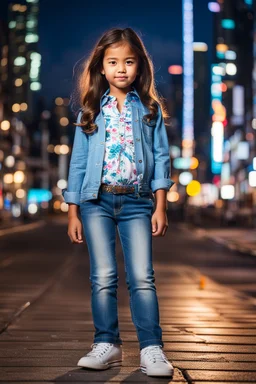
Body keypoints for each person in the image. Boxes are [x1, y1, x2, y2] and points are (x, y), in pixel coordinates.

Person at [62, 27, 175, 377]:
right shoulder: (90, 111)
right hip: (96, 202)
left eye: (128, 62)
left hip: (138, 203)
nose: (121, 69)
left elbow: (161, 158)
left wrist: (160, 205)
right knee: (103, 276)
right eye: (113, 62)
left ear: (139, 67)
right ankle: (107, 344)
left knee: (142, 276)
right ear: (101, 67)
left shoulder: (150, 110)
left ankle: (151, 349)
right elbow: (78, 164)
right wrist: (73, 211)